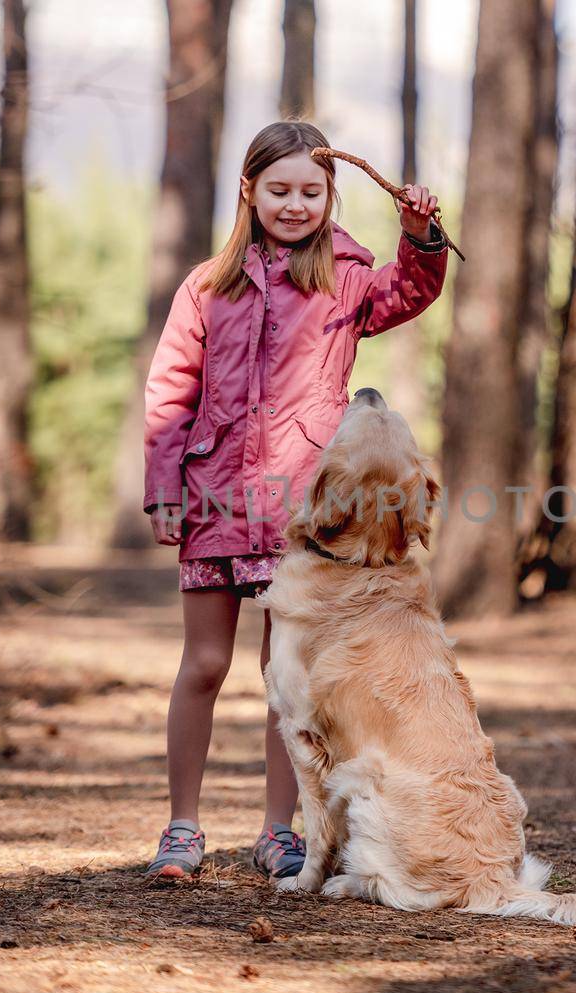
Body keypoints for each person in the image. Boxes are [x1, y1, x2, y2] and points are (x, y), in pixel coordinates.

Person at [140, 121, 449, 880]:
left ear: (329, 194)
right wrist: (165, 490)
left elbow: (409, 292)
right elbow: (170, 392)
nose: (294, 204)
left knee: (288, 672)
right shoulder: (207, 285)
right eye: (278, 190)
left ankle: (280, 829)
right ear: (249, 190)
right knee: (204, 663)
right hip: (214, 497)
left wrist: (424, 236)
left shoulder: (346, 279)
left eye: (310, 192)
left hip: (301, 511)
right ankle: (182, 826)